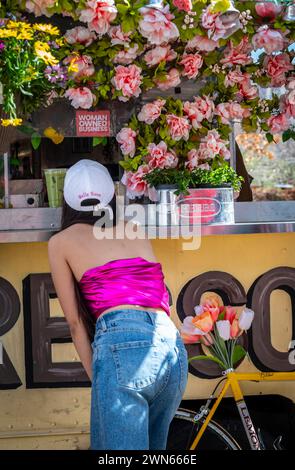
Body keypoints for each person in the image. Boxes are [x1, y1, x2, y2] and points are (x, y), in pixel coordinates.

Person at [48, 159, 188, 451]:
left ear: (68, 201)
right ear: (112, 196)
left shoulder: (60, 242)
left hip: (123, 348)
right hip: (170, 346)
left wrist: (98, 379)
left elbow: (75, 325)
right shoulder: (134, 228)